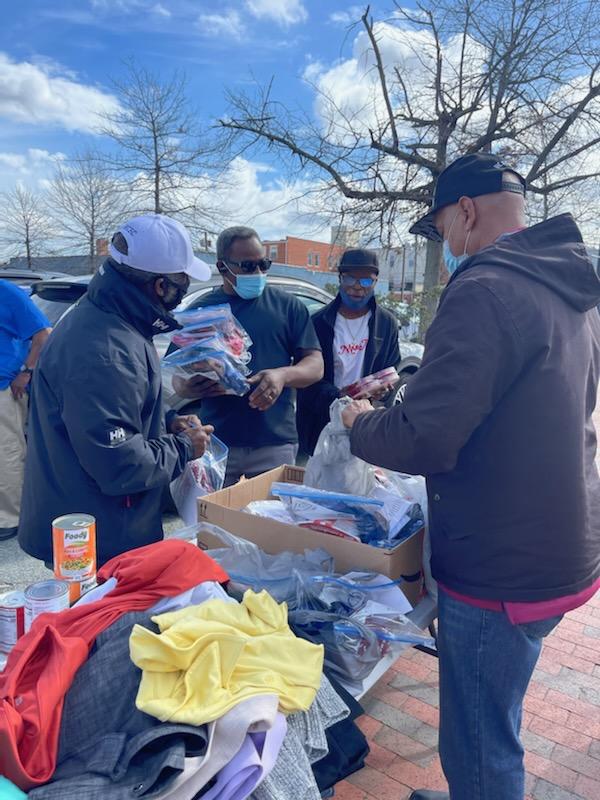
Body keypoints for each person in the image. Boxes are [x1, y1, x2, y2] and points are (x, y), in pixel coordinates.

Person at [340, 153, 600, 800]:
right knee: (497, 712)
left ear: (465, 211)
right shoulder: (568, 286)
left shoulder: (484, 288)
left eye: (440, 229)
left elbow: (424, 438)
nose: (445, 244)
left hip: (500, 568)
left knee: (480, 742)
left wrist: (359, 424)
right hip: (562, 547)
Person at [18, 214, 214, 566]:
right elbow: (120, 465)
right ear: (160, 286)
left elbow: (118, 405)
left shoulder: (114, 318)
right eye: (182, 281)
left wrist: (168, 419)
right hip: (97, 539)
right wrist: (185, 447)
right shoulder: (105, 349)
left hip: (95, 522)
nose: (183, 290)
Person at [173, 225, 323, 486]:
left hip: (275, 442)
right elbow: (176, 375)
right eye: (248, 266)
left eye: (264, 264)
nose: (258, 273)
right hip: (217, 441)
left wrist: (282, 375)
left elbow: (315, 365)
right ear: (222, 267)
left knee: (272, 513)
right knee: (215, 512)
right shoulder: (200, 312)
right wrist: (187, 388)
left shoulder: (287, 307)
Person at [297, 248, 400, 456]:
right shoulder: (318, 323)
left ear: (375, 282)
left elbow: (391, 368)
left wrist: (383, 390)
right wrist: (338, 397)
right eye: (350, 279)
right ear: (340, 278)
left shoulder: (386, 323)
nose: (357, 287)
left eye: (366, 281)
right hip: (322, 424)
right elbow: (305, 382)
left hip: (363, 423)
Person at [0, 281, 51, 541]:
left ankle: (11, 517)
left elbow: (44, 334)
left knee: (6, 452)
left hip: (3, 386)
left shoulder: (5, 292)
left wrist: (27, 371)